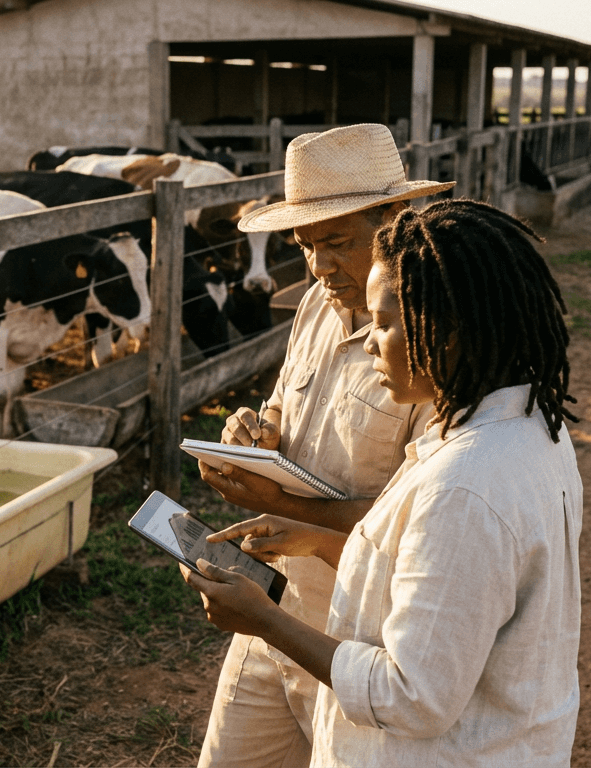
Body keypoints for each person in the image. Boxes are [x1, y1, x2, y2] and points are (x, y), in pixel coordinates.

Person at [184, 199, 584, 766]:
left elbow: (412, 695)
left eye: (389, 324)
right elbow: (432, 567)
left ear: (446, 330)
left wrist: (264, 621)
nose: (371, 342)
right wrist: (315, 540)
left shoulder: (464, 485)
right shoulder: (526, 426)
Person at [191, 124, 454, 768]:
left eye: (336, 241)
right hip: (274, 600)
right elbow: (283, 405)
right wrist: (250, 433)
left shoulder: (435, 345)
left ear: (397, 220)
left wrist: (286, 505)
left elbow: (415, 526)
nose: (318, 265)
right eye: (304, 244)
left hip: (357, 637)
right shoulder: (315, 302)